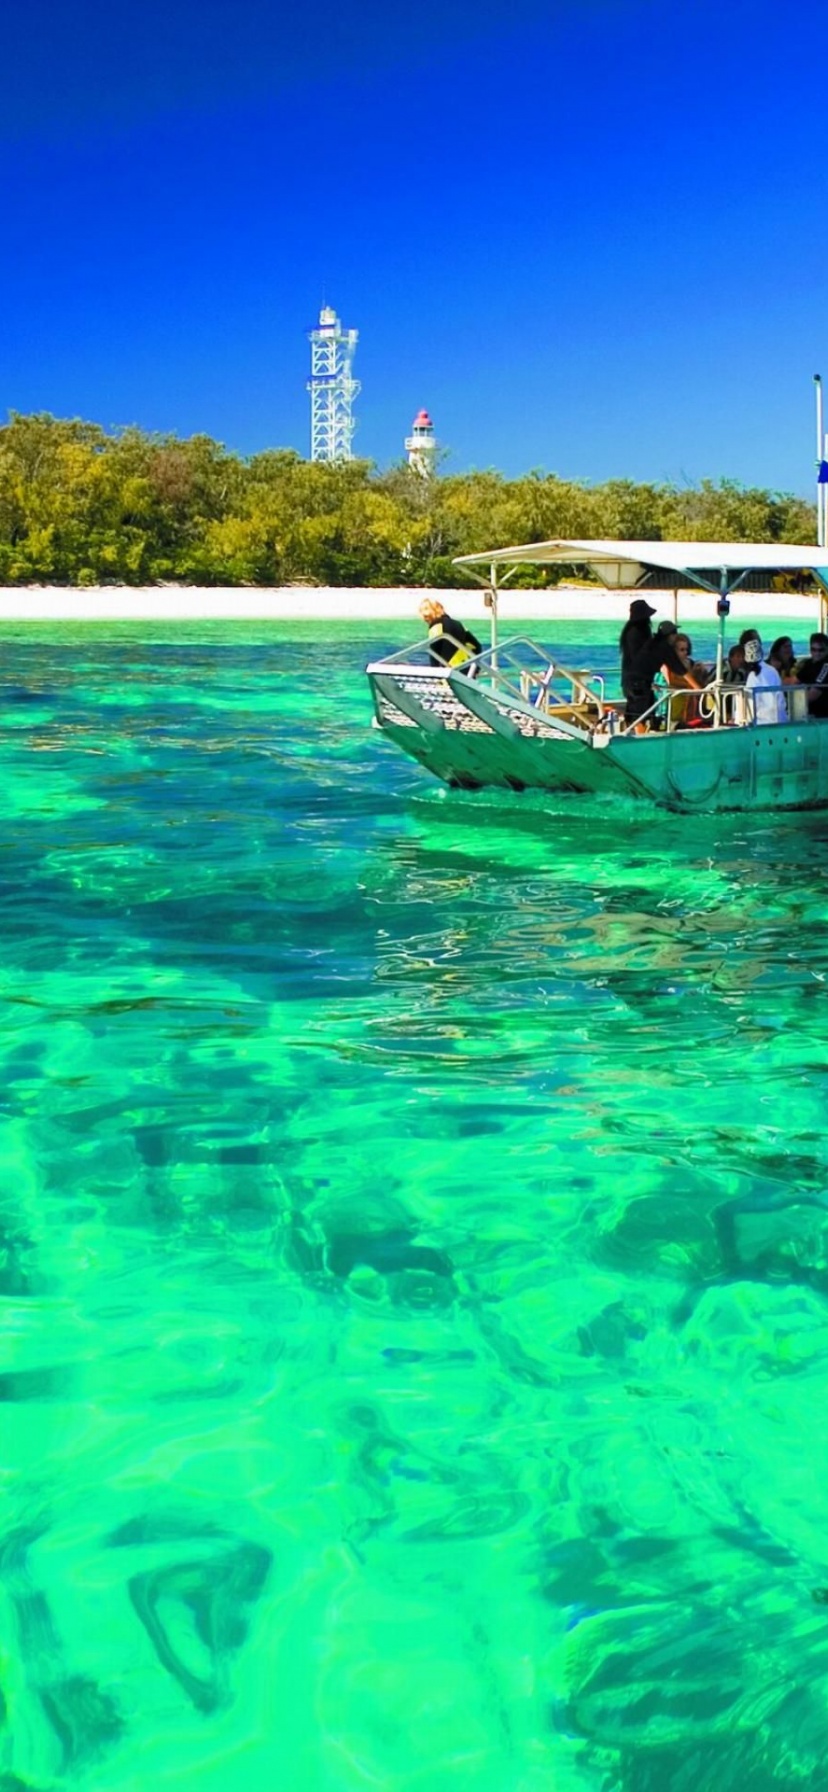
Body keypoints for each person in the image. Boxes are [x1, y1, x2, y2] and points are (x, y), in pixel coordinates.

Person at [625, 619, 700, 730]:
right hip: (640, 683)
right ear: (669, 635)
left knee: (640, 714)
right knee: (640, 716)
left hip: (635, 680)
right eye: (674, 633)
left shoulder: (653, 643)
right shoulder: (663, 648)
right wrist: (697, 688)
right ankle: (641, 739)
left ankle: (641, 735)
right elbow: (680, 671)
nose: (675, 637)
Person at [418, 599, 482, 670]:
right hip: (466, 666)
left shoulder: (436, 626)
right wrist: (476, 668)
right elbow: (476, 645)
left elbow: (434, 653)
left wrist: (435, 674)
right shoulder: (458, 623)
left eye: (425, 618)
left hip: (450, 670)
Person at [744, 636, 786, 724]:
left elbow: (751, 705)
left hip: (761, 722)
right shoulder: (772, 670)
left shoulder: (752, 676)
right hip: (780, 719)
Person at [795, 631, 828, 717]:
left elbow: (813, 694)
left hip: (823, 717)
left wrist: (790, 702)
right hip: (811, 713)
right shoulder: (809, 663)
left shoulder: (826, 666)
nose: (817, 653)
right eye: (813, 649)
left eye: (821, 650)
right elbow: (795, 681)